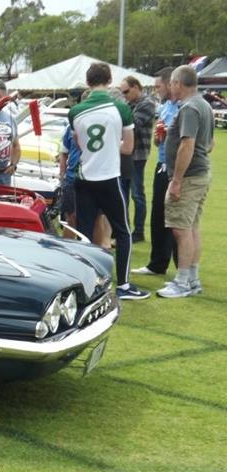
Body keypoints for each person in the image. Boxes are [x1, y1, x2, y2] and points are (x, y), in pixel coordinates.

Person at [69, 61, 149, 300]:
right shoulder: (121, 109)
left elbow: (78, 144)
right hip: (109, 177)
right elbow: (129, 148)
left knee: (83, 233)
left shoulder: (76, 111)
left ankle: (83, 283)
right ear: (109, 80)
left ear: (88, 82)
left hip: (85, 177)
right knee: (122, 231)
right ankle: (123, 285)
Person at [156, 65, 215, 298]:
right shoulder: (204, 105)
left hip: (189, 177)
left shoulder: (190, 108)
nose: (170, 86)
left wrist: (177, 180)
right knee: (191, 228)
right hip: (201, 173)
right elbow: (209, 144)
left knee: (181, 230)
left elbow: (187, 144)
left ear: (179, 83)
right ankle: (192, 279)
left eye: (172, 82)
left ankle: (182, 282)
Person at [132, 67, 179, 277]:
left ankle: (183, 270)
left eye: (159, 86)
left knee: (176, 220)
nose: (157, 90)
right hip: (161, 164)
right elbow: (159, 137)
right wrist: (159, 137)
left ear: (171, 83)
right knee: (158, 215)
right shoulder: (166, 106)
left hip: (175, 168)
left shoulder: (183, 107)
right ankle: (157, 264)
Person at [120, 76, 153, 241]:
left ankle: (139, 231)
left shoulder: (147, 103)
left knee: (137, 194)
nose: (124, 95)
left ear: (135, 87)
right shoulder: (128, 105)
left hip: (138, 155)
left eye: (126, 91)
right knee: (123, 193)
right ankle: (123, 228)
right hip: (125, 154)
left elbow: (134, 124)